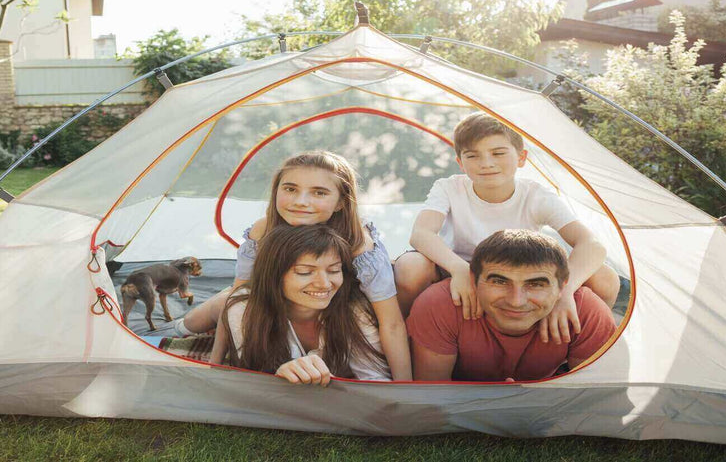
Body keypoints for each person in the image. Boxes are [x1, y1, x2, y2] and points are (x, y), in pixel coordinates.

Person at [181, 151, 411, 380]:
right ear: (276, 190)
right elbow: (238, 295)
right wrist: (217, 363)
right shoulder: (262, 231)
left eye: (319, 193)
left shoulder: (360, 245)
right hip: (279, 303)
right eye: (290, 189)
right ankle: (179, 327)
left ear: (341, 202)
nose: (300, 202)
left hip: (333, 310)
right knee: (216, 307)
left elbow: (391, 323)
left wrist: (405, 389)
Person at [394, 112, 620, 344]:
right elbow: (421, 233)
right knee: (410, 268)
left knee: (605, 278)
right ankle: (408, 340)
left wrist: (566, 290)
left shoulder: (535, 195)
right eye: (473, 156)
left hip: (516, 275)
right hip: (458, 265)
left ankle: (579, 343)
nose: (486, 163)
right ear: (461, 163)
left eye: (498, 153)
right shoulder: (449, 188)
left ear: (521, 158)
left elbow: (592, 244)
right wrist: (459, 269)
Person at [407, 229, 616, 382]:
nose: (516, 301)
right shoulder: (441, 305)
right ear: (473, 279)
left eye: (535, 284)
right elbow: (432, 397)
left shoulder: (585, 311)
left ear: (563, 286)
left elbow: (594, 398)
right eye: (499, 281)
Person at [219, 223, 390, 385]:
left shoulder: (354, 310)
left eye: (334, 270)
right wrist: (279, 374)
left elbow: (375, 380)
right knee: (209, 312)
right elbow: (251, 380)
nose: (324, 284)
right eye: (305, 272)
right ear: (274, 275)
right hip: (243, 300)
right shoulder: (245, 308)